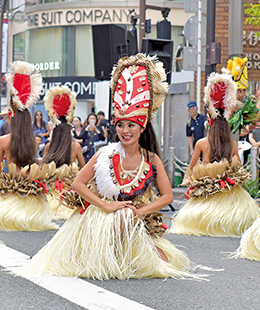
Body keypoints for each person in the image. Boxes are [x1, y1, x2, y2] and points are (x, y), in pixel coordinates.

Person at [14, 54, 201, 280]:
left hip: (133, 219)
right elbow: (78, 183)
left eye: (131, 125)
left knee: (161, 263)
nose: (125, 130)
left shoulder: (151, 158)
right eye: (120, 125)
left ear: (142, 128)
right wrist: (106, 206)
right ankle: (104, 253)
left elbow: (168, 196)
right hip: (100, 217)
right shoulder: (105, 153)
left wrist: (139, 211)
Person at [169, 71, 260, 237]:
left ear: (209, 125)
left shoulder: (201, 143)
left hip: (207, 194)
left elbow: (191, 169)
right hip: (226, 195)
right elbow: (239, 168)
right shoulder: (232, 143)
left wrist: (191, 186)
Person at [0, 61, 58, 231]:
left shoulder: (3, 140)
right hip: (30, 196)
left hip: (10, 196)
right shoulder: (32, 140)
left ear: (12, 118)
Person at [42, 86, 85, 219]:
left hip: (49, 196)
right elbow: (84, 169)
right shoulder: (75, 147)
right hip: (68, 196)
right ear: (69, 129)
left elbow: (42, 170)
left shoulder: (48, 146)